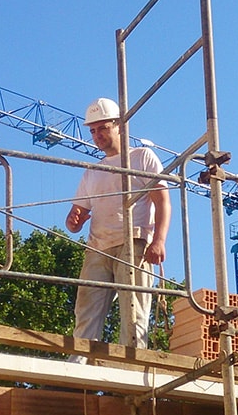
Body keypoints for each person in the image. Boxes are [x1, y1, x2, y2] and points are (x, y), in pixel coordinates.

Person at [64, 98, 170, 358]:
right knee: (86, 312)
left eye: (103, 128)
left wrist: (159, 240)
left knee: (133, 314)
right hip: (97, 248)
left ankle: (129, 372)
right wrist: (73, 220)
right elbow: (75, 218)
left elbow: (162, 200)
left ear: (120, 126)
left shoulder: (142, 156)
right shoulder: (93, 170)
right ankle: (79, 372)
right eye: (92, 131)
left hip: (133, 243)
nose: (97, 135)